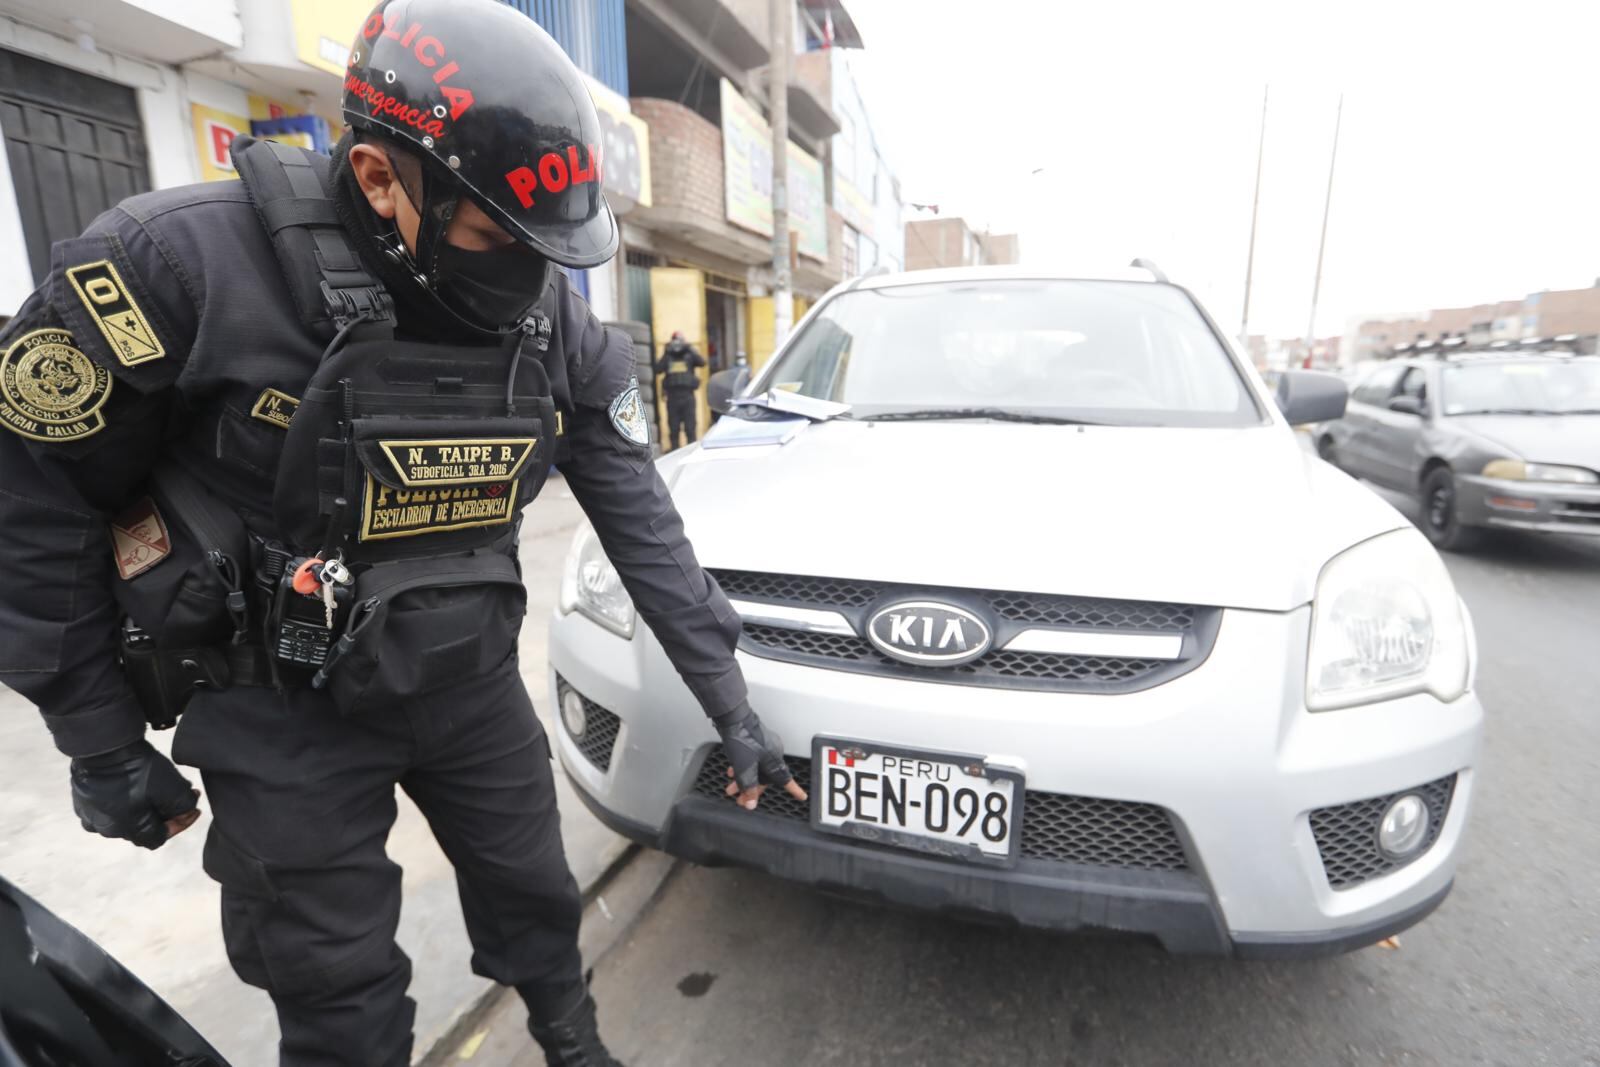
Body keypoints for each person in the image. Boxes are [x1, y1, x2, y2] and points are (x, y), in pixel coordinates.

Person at [0, 2, 802, 1065]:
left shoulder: (545, 312)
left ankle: (573, 1043)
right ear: (381, 180)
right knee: (338, 994)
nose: (526, 277)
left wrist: (727, 697)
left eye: (544, 250)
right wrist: (96, 736)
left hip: (463, 671)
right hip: (279, 705)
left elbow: (636, 507)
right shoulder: (171, 268)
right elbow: (34, 496)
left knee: (535, 893)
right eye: (492, 239)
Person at [653, 330, 707, 448]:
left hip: (688, 396)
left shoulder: (689, 355)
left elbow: (702, 362)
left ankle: (691, 452)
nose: (677, 345)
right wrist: (666, 352)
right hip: (672, 397)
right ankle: (674, 453)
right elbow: (657, 369)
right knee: (674, 428)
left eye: (680, 342)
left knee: (690, 428)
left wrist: (690, 349)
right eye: (675, 342)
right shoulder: (668, 356)